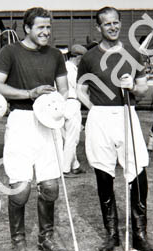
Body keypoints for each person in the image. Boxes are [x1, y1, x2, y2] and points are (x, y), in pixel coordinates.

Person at [76, 6, 153, 251]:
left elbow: (144, 89)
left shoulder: (133, 52)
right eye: (106, 24)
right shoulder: (90, 57)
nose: (112, 27)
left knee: (137, 171)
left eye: (115, 23)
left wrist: (132, 86)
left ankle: (140, 234)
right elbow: (80, 89)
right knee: (103, 172)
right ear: (98, 27)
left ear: (120, 24)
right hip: (100, 116)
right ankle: (111, 235)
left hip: (126, 113)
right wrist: (94, 108)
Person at [0, 7, 69, 251]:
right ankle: (18, 241)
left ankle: (46, 238)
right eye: (40, 28)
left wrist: (54, 105)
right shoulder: (9, 52)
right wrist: (29, 94)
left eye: (48, 27)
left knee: (50, 186)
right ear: (27, 28)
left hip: (47, 121)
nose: (46, 32)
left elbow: (64, 89)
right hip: (21, 120)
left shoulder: (56, 54)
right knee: (21, 187)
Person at [62, 44, 87, 177]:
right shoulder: (72, 70)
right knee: (72, 139)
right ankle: (65, 169)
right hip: (72, 103)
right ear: (77, 57)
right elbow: (79, 89)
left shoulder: (64, 68)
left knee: (69, 138)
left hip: (64, 104)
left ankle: (75, 165)